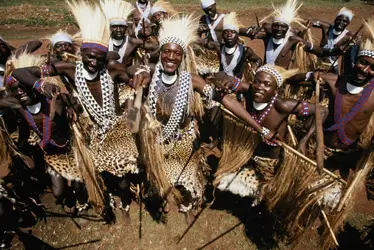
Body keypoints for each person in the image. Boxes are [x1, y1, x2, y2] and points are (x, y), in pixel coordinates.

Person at [128, 15, 276, 225]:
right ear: (160, 53)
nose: (171, 57)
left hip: (183, 141)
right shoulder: (149, 75)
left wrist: (260, 129)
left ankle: (186, 204)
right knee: (159, 175)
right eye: (167, 52)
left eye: (176, 53)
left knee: (187, 179)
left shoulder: (192, 81)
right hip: (156, 139)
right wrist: (139, 73)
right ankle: (163, 195)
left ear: (183, 57)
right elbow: (130, 71)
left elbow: (227, 102)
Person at [12, 0, 140, 222]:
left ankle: (125, 203)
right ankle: (104, 198)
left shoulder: (111, 69)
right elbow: (20, 74)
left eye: (99, 58)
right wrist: (41, 85)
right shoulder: (68, 69)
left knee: (122, 176)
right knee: (97, 171)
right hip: (89, 130)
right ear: (82, 53)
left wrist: (144, 72)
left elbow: (133, 72)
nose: (93, 62)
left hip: (116, 127)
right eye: (89, 56)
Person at [213, 65, 326, 205]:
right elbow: (220, 75)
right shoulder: (249, 91)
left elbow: (322, 111)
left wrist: (304, 140)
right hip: (247, 149)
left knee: (268, 193)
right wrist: (226, 81)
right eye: (257, 81)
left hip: (268, 160)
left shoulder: (282, 105)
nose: (260, 87)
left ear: (275, 91)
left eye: (267, 84)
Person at [4, 52, 88, 213]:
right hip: (51, 153)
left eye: (23, 88)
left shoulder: (55, 101)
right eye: (15, 90)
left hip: (72, 150)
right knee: (58, 193)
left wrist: (71, 107)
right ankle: (68, 195)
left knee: (79, 183)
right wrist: (20, 148)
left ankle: (82, 201)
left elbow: (76, 105)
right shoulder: (18, 106)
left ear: (33, 86)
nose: (20, 92)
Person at [244, 0, 318, 70]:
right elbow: (246, 32)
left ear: (287, 28)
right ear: (272, 27)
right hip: (265, 74)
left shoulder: (292, 39)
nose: (279, 29)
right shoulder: (267, 36)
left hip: (282, 76)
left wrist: (311, 46)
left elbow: (318, 50)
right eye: (276, 26)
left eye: (282, 27)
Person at [311, 7, 355, 73]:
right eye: (339, 20)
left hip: (332, 66)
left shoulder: (349, 35)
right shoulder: (326, 27)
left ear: (348, 23)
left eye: (344, 21)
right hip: (317, 63)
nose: (341, 22)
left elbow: (360, 40)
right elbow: (311, 21)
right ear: (335, 20)